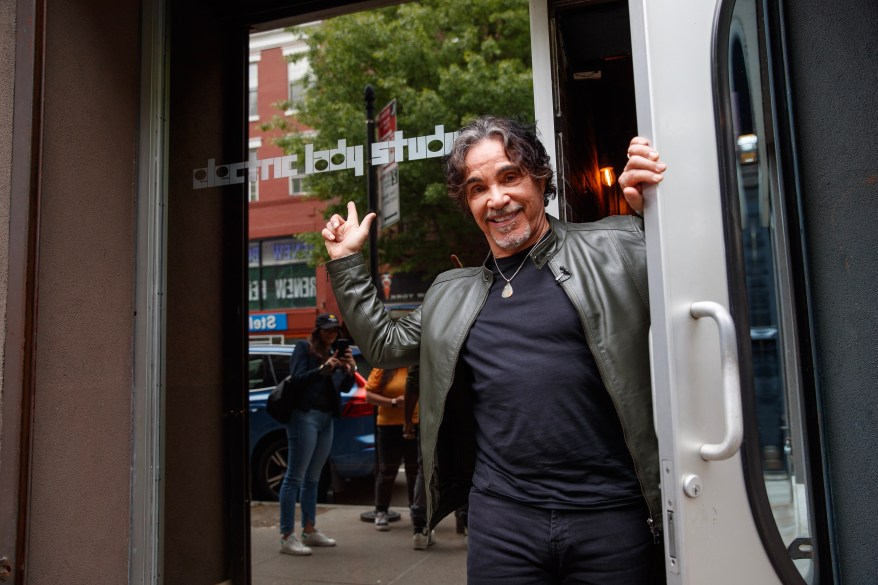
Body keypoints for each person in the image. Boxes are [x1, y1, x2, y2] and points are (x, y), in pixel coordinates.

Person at [320, 116, 667, 583]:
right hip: (503, 523)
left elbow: (701, 290)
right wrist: (346, 263)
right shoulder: (452, 293)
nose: (497, 199)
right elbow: (384, 345)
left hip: (612, 518)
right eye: (477, 188)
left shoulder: (615, 245)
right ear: (469, 203)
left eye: (510, 176)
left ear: (539, 178)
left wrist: (657, 214)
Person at [278, 313, 357, 556]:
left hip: (325, 418)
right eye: (327, 330)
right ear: (318, 330)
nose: (332, 334)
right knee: (295, 477)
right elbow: (297, 380)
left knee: (313, 477)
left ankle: (309, 530)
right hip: (305, 416)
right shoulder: (304, 348)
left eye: (335, 331)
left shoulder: (335, 353)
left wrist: (350, 368)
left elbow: (344, 387)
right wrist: (324, 368)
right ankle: (287, 535)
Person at [365, 366, 431, 549]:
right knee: (387, 470)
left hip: (417, 423)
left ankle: (415, 513)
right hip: (388, 425)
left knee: (415, 471)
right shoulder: (383, 369)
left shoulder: (416, 367)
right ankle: (381, 511)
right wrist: (393, 402)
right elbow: (368, 395)